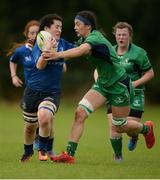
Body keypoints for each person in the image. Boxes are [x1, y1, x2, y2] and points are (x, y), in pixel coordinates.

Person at [42, 10, 155, 164]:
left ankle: (146, 129)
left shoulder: (94, 38)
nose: (75, 27)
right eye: (75, 24)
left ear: (88, 26)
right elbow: (71, 48)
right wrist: (50, 44)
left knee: (119, 126)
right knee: (80, 113)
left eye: (78, 24)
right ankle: (69, 154)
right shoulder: (84, 39)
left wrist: (56, 55)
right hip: (102, 84)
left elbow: (81, 51)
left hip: (119, 86)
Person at [94, 22, 154, 161]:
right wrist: (99, 80)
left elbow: (150, 73)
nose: (121, 37)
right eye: (118, 34)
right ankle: (118, 156)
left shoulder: (139, 53)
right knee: (115, 126)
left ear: (130, 36)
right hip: (115, 93)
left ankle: (140, 132)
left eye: (124, 35)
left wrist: (134, 84)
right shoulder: (109, 51)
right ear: (115, 35)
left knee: (128, 128)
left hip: (135, 94)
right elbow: (98, 69)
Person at [20, 13, 74, 162]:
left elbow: (79, 50)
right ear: (46, 29)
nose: (59, 30)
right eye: (56, 27)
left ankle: (43, 150)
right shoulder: (40, 44)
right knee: (30, 127)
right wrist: (47, 52)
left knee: (44, 117)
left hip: (52, 92)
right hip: (33, 91)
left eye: (61, 27)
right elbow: (39, 65)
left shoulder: (63, 43)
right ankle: (28, 151)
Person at [8, 20, 40, 87]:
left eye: (37, 32)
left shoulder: (47, 49)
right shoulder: (21, 51)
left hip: (47, 88)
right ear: (27, 35)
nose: (35, 35)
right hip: (30, 89)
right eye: (32, 33)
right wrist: (13, 76)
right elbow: (12, 61)